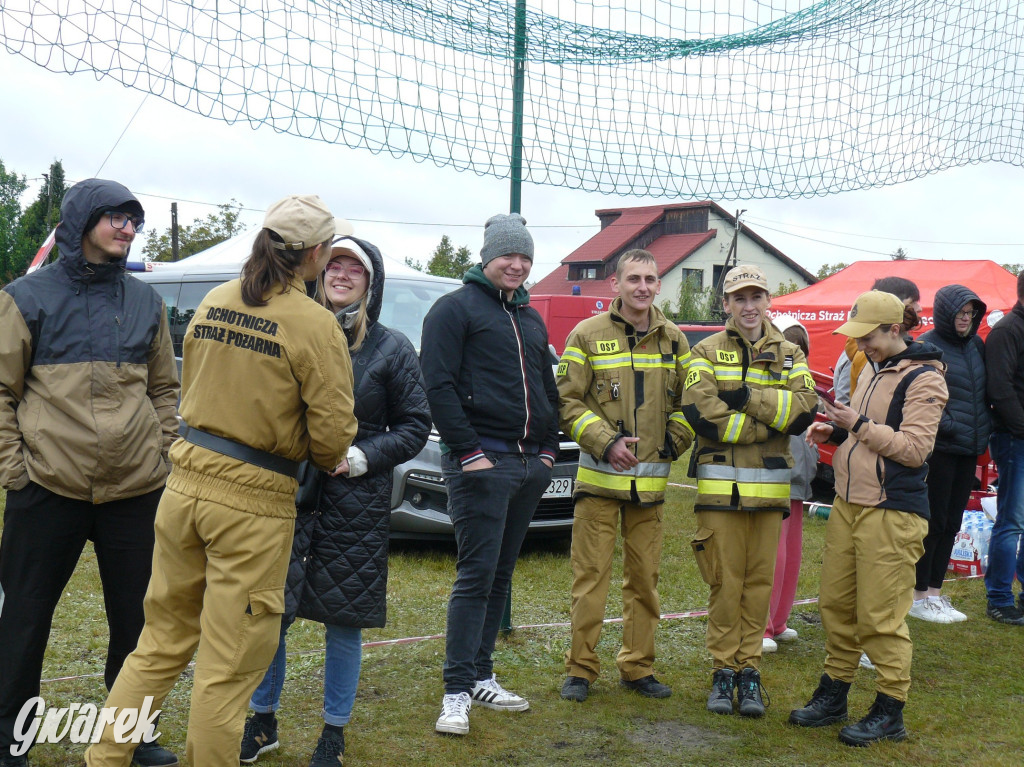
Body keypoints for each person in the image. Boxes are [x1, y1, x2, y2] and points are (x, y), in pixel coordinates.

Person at [84, 195, 358, 766]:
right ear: (313, 253)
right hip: (252, 504)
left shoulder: (214, 300)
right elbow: (333, 438)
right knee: (228, 668)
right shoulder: (315, 325)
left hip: (183, 484)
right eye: (328, 248)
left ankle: (103, 759)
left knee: (156, 644)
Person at [0, 179, 180, 767]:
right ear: (82, 222)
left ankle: (132, 734)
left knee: (138, 619)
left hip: (135, 489)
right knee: (25, 617)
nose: (128, 229)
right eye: (116, 218)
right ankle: (10, 737)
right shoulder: (25, 298)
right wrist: (14, 469)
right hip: (46, 487)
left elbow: (163, 390)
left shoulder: (146, 302)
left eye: (134, 220)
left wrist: (166, 456)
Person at [240, 235, 431, 764]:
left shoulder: (392, 349)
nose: (342, 273)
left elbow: (415, 426)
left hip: (355, 501)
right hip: (286, 494)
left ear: (372, 283)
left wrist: (363, 456)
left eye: (355, 268)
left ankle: (333, 733)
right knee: (269, 612)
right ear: (318, 271)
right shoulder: (289, 329)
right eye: (334, 263)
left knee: (344, 621)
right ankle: (262, 721)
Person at [421, 213, 559, 737]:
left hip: (527, 466)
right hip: (481, 465)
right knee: (475, 577)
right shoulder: (453, 310)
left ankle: (481, 675)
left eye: (524, 257)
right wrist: (469, 452)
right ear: (486, 256)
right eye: (508, 255)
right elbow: (438, 387)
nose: (517, 264)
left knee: (501, 575)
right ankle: (455, 691)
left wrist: (547, 452)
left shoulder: (529, 317)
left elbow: (547, 388)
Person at [790, 290, 947, 747]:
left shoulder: (925, 379)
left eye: (868, 337)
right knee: (837, 607)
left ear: (895, 329)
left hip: (893, 512)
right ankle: (834, 693)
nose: (860, 345)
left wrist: (855, 424)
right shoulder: (872, 369)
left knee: (880, 618)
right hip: (848, 504)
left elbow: (915, 449)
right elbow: (868, 431)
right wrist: (836, 430)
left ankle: (889, 709)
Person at [556, 249, 694, 704]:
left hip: (650, 491)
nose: (642, 286)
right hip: (598, 485)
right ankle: (581, 669)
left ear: (659, 285)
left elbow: (691, 404)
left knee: (644, 582)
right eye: (633, 278)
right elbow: (566, 402)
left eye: (650, 279)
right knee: (590, 579)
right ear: (615, 285)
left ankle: (637, 667)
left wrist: (675, 440)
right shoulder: (586, 334)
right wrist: (604, 442)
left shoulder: (675, 340)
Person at [682, 265, 817, 718]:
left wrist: (743, 397)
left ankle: (750, 671)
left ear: (768, 301)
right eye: (739, 298)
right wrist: (763, 426)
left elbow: (802, 412)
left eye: (756, 296)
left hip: (770, 491)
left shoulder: (791, 353)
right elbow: (701, 412)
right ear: (726, 304)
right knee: (725, 582)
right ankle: (723, 670)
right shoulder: (704, 350)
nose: (749, 306)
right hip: (720, 490)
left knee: (759, 584)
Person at [911, 285, 991, 623]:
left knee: (953, 522)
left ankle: (935, 593)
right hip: (940, 447)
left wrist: (979, 428)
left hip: (969, 447)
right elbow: (920, 395)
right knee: (934, 521)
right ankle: (918, 596)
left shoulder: (977, 345)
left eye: (970, 313)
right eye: (960, 312)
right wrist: (950, 426)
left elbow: (982, 392)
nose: (965, 318)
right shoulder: (928, 346)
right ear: (946, 312)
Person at [762, 315, 819, 653]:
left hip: (781, 460)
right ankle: (778, 621)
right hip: (802, 460)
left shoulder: (778, 374)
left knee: (776, 546)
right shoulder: (805, 375)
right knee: (790, 543)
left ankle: (767, 626)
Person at [983, 271, 1024, 625]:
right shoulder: (1008, 331)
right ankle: (998, 597)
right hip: (1014, 439)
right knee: (1010, 521)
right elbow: (1000, 389)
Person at [834, 277, 921, 406]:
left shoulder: (919, 367)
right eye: (912, 302)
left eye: (866, 338)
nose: (919, 308)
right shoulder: (869, 357)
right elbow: (848, 405)